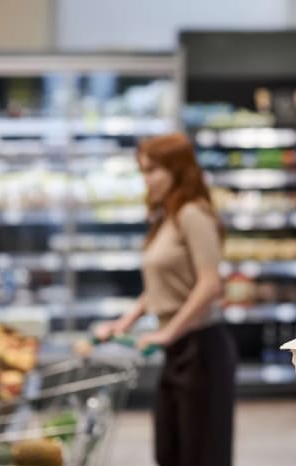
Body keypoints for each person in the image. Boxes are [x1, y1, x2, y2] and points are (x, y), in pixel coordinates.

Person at [95, 133, 235, 466]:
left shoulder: (192, 214)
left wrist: (167, 333)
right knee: (170, 451)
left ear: (178, 169)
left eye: (153, 170)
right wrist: (124, 322)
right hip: (178, 349)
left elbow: (209, 284)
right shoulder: (166, 218)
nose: (147, 180)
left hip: (201, 348)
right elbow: (159, 285)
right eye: (143, 171)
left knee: (199, 454)